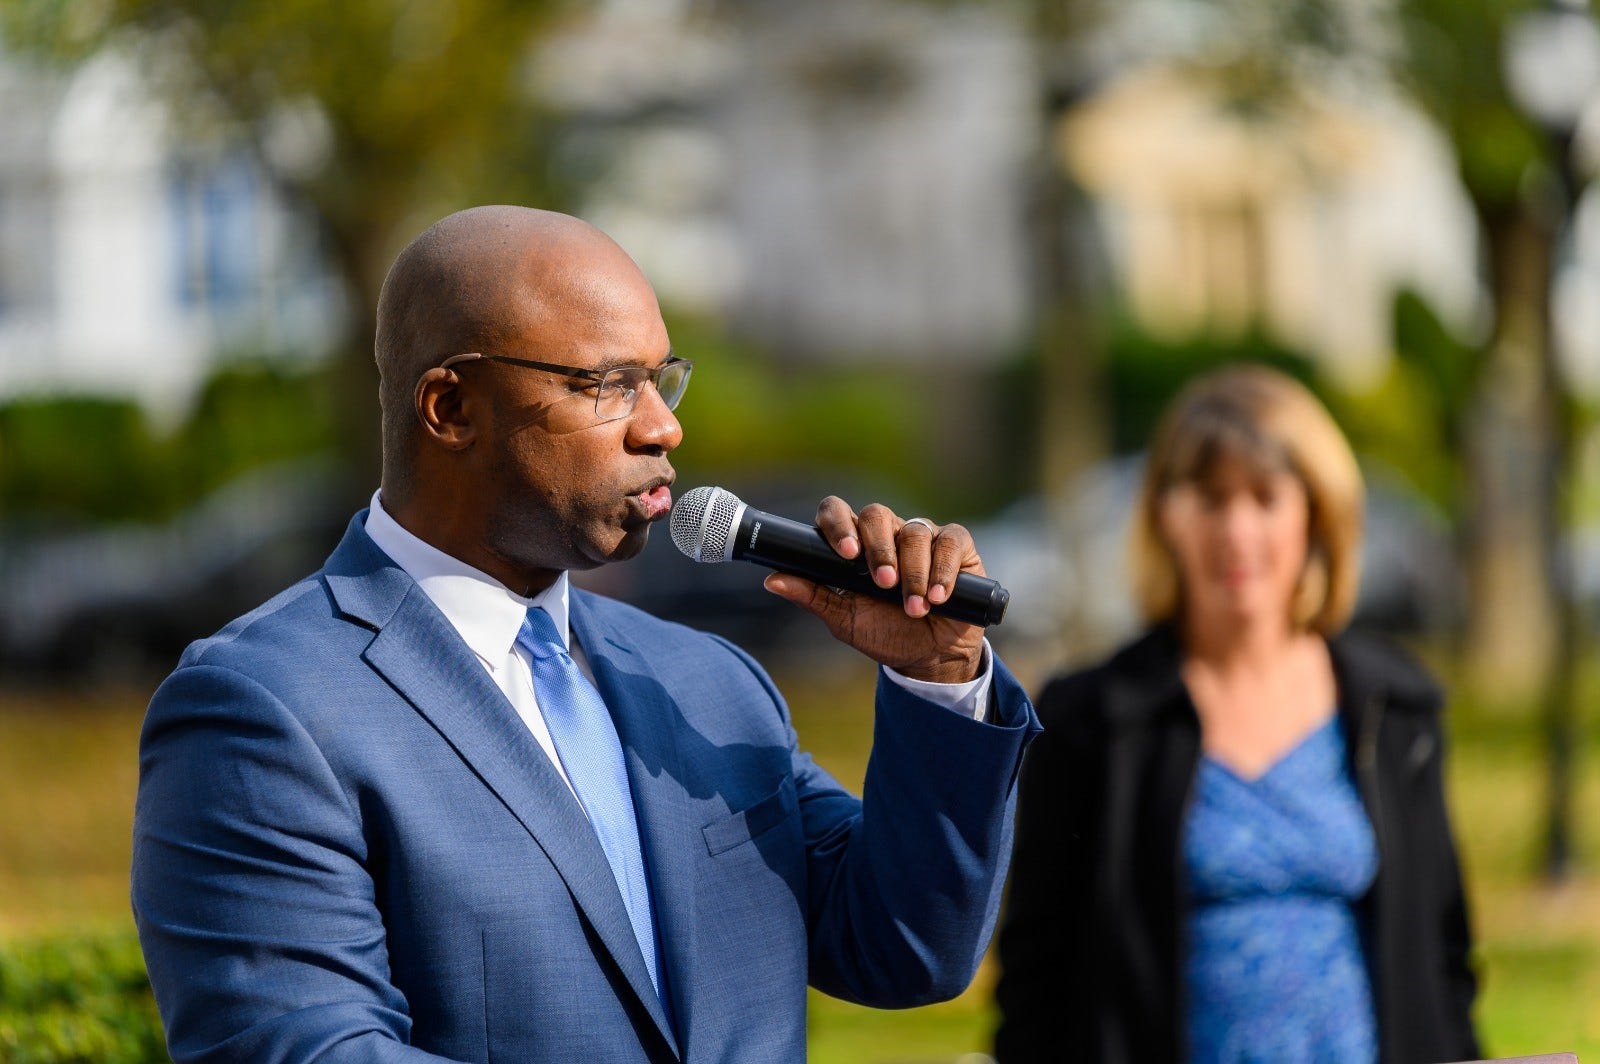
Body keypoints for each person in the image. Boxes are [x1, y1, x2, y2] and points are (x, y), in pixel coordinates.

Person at [131, 206, 1040, 1063]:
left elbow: (907, 949)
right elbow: (305, 1048)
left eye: (662, 377)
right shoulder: (265, 709)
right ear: (450, 409)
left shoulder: (706, 680)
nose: (664, 425)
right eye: (609, 384)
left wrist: (939, 679)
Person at [993, 365, 1479, 1064]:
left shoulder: (1395, 708)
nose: (1236, 529)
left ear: (1317, 514)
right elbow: (1037, 979)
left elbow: (1444, 960)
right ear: (1164, 511)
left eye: (1264, 497)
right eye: (1209, 497)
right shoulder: (1093, 718)